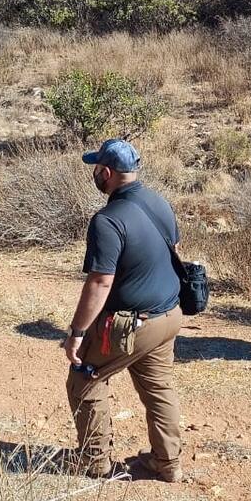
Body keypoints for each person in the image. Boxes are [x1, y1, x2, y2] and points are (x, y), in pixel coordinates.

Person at [64, 138, 185, 482]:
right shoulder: (159, 202)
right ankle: (167, 463)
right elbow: (175, 247)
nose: (94, 174)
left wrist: (77, 333)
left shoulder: (107, 220)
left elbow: (100, 282)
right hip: (168, 315)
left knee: (85, 378)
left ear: (106, 172)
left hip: (131, 325)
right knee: (159, 389)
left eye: (96, 169)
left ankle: (95, 462)